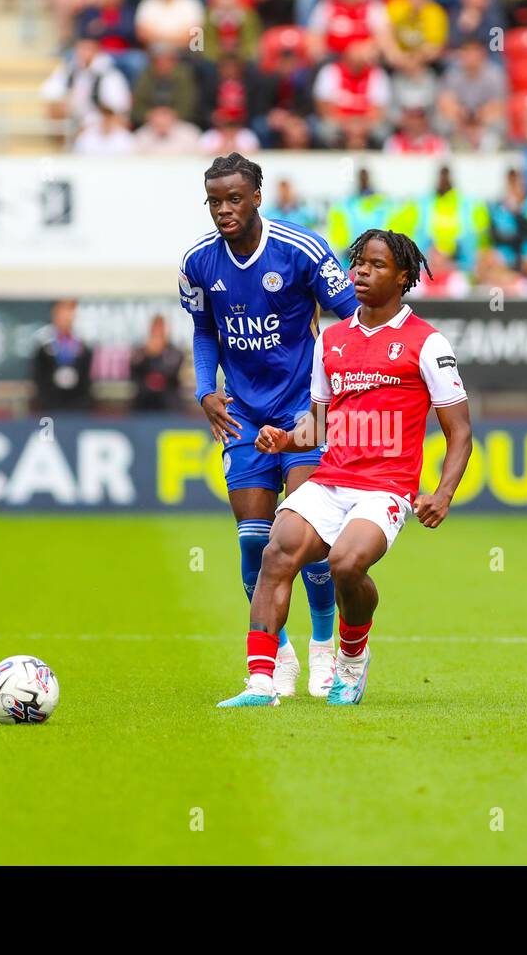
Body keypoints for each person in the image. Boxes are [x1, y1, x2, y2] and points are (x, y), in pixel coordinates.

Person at [218, 228, 472, 707]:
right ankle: (259, 683)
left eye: (376, 265)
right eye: (359, 263)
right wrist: (284, 440)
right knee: (277, 551)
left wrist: (442, 493)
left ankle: (351, 659)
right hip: (331, 479)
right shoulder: (331, 340)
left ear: (402, 277)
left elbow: (460, 430)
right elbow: (316, 424)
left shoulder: (427, 343)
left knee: (345, 564)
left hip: (385, 489)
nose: (361, 272)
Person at [179, 153, 360, 697]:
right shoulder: (198, 264)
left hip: (304, 413)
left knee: (309, 543)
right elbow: (205, 330)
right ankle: (277, 657)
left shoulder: (301, 250)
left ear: (258, 196)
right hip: (244, 416)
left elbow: (350, 320)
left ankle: (324, 648)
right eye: (215, 201)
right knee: (255, 542)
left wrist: (336, 401)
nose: (224, 210)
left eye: (234, 198)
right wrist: (205, 390)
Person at [40, 35, 133, 132]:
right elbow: (48, 90)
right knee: (55, 108)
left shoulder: (110, 75)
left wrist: (91, 120)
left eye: (88, 49)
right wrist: (64, 99)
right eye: (81, 49)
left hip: (99, 118)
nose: (84, 53)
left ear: (97, 51)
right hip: (76, 114)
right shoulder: (70, 69)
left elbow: (116, 106)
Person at [32, 299, 95, 411]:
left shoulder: (83, 347)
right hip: (50, 407)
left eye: (69, 313)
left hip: (78, 408)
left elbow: (87, 380)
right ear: (54, 315)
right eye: (61, 313)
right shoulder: (43, 347)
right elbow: (39, 378)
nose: (65, 317)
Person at [129, 314, 185, 410]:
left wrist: (158, 352)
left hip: (168, 397)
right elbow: (134, 371)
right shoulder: (141, 352)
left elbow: (171, 373)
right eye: (155, 328)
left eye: (160, 328)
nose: (157, 332)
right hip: (144, 398)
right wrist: (147, 353)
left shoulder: (175, 352)